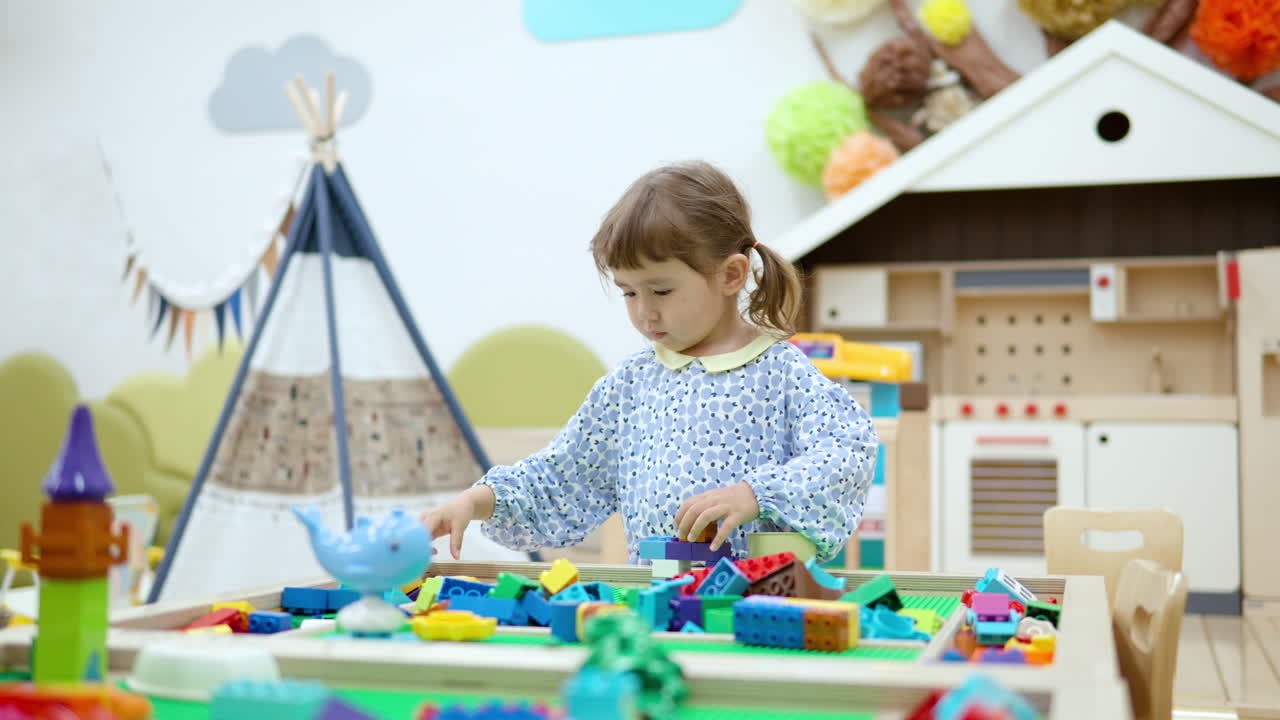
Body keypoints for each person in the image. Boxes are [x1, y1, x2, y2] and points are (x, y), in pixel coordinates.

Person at [422, 160, 877, 564]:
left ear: (731, 275)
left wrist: (757, 495)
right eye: (628, 293)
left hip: (762, 598)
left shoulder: (781, 373)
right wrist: (477, 501)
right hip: (660, 603)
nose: (644, 312)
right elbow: (562, 475)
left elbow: (847, 452)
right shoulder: (631, 384)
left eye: (661, 291)